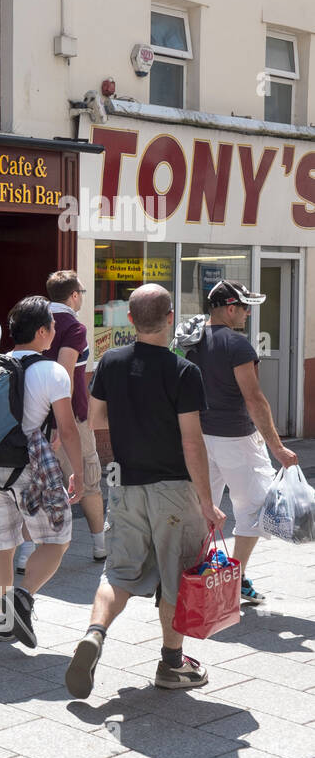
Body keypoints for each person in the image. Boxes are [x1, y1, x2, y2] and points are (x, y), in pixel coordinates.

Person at [65, 284, 226, 698]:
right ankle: (172, 665)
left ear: (131, 320)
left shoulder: (111, 362)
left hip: (125, 485)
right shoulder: (184, 371)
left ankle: (95, 633)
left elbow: (96, 420)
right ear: (170, 318)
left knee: (118, 571)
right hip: (174, 490)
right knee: (176, 576)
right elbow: (192, 442)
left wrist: (128, 428)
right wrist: (207, 502)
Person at [180, 279, 300, 606]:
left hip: (199, 437)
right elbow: (254, 399)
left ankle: (195, 577)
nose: (248, 313)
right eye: (245, 307)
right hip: (236, 438)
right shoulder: (237, 344)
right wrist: (277, 448)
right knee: (257, 509)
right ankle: (234, 579)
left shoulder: (191, 338)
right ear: (230, 308)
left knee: (202, 510)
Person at [0, 297, 84, 647]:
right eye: (52, 326)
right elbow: (67, 429)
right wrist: (79, 472)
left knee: (3, 547)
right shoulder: (51, 371)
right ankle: (22, 598)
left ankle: (2, 621)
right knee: (57, 539)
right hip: (31, 468)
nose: (54, 330)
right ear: (41, 331)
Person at [44, 271, 107, 561]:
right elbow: (64, 375)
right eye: (81, 292)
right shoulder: (73, 326)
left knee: (41, 482)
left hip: (36, 414)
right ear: (73, 295)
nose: (82, 297)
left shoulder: (36, 319)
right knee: (88, 480)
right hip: (70, 417)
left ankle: (28, 552)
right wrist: (62, 424)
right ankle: (100, 545)